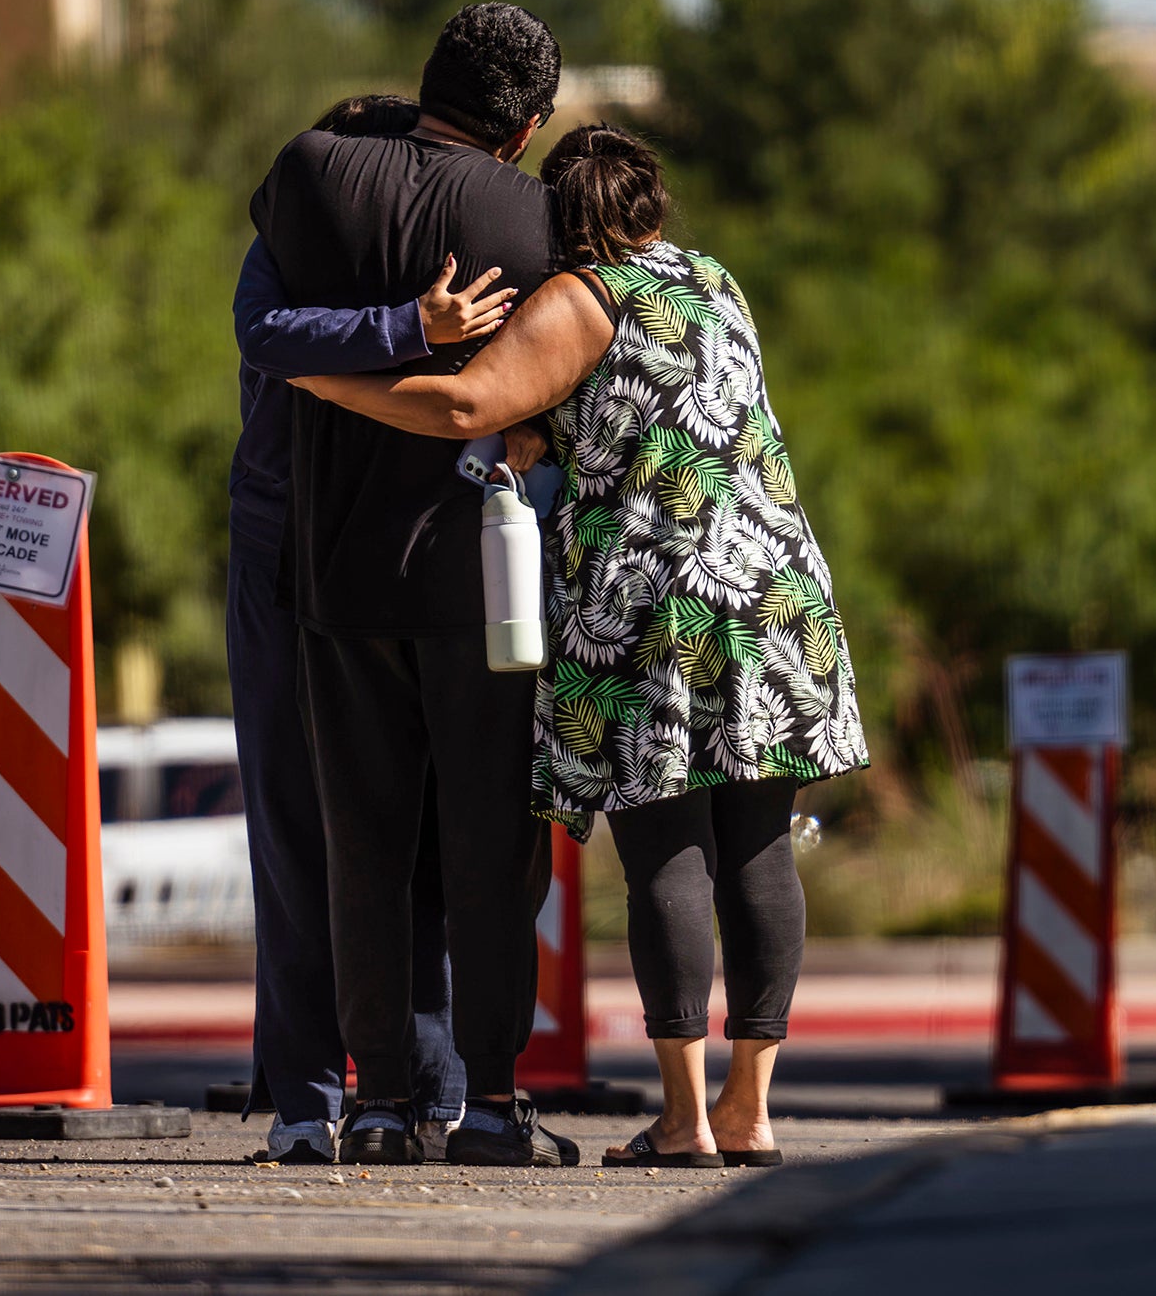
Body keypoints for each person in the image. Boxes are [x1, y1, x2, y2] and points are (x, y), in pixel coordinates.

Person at [294, 123, 870, 1168]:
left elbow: (468, 401)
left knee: (667, 852)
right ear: (653, 206)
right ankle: (751, 1108)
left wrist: (325, 378)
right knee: (759, 848)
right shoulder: (713, 280)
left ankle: (688, 1119)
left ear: (561, 221)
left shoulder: (580, 298)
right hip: (780, 589)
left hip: (656, 604)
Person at [248, 2, 580, 1168]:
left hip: (337, 570)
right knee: (492, 850)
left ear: (424, 79)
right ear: (527, 126)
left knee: (362, 845)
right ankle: (490, 1106)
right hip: (484, 583)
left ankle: (378, 1103)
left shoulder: (310, 171)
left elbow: (264, 329)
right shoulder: (534, 216)